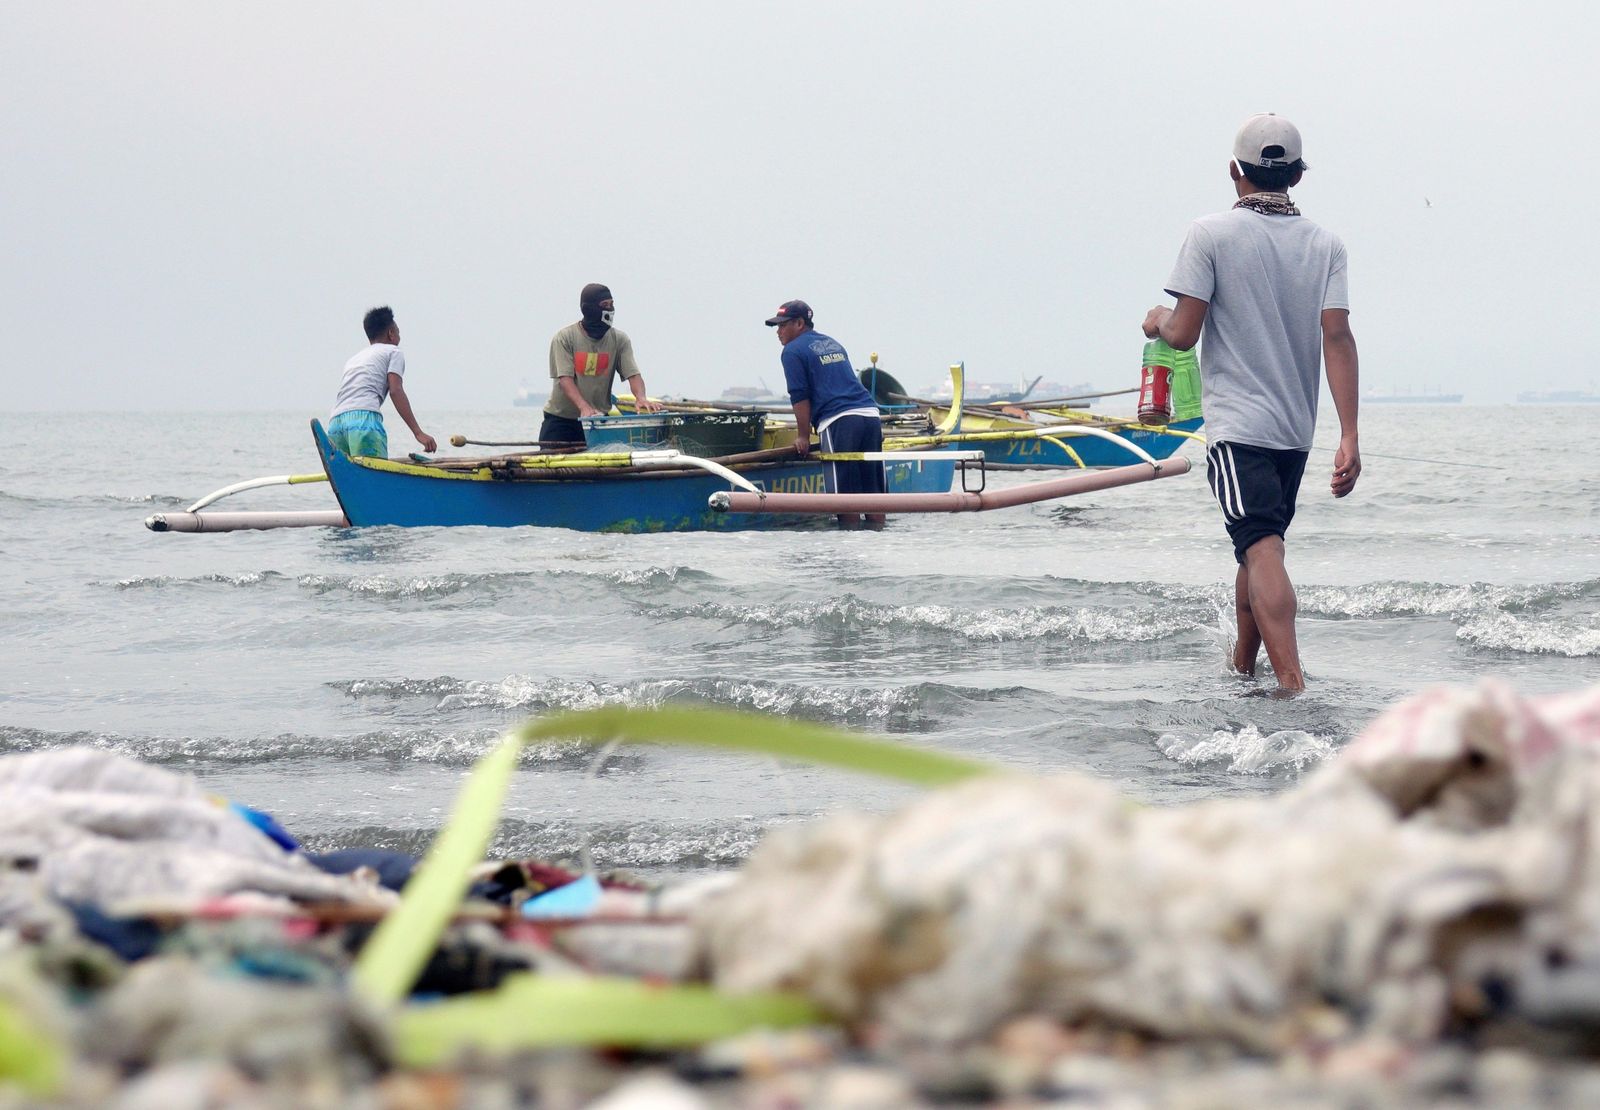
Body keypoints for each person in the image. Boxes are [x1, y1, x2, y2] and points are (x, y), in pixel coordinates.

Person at [1141, 113, 1361, 692]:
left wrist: (1156, 319)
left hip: (1239, 428)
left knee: (1260, 548)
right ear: (1297, 175)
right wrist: (1349, 435)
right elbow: (1336, 337)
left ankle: (1292, 685)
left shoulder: (1210, 233)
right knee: (1257, 546)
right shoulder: (1326, 244)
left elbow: (1184, 333)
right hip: (1295, 430)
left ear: (1235, 171)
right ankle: (1243, 666)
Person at [766, 300, 886, 529]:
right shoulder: (832, 343)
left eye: (782, 326)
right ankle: (877, 545)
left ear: (800, 323)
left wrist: (802, 436)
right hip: (870, 416)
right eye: (776, 327)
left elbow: (799, 395)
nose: (778, 332)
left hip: (839, 420)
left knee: (842, 495)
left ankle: (847, 550)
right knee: (873, 491)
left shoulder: (791, 351)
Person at [540, 283, 663, 445]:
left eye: (612, 304)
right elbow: (565, 380)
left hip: (597, 422)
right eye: (605, 305)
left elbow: (633, 375)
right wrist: (584, 407)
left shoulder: (619, 340)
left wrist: (641, 397)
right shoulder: (565, 338)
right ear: (588, 308)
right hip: (562, 420)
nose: (610, 309)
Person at [327, 306, 435, 458]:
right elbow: (396, 391)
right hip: (363, 422)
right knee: (373, 474)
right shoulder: (393, 351)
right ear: (391, 334)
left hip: (335, 423)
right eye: (398, 331)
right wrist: (418, 433)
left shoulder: (354, 358)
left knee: (351, 475)